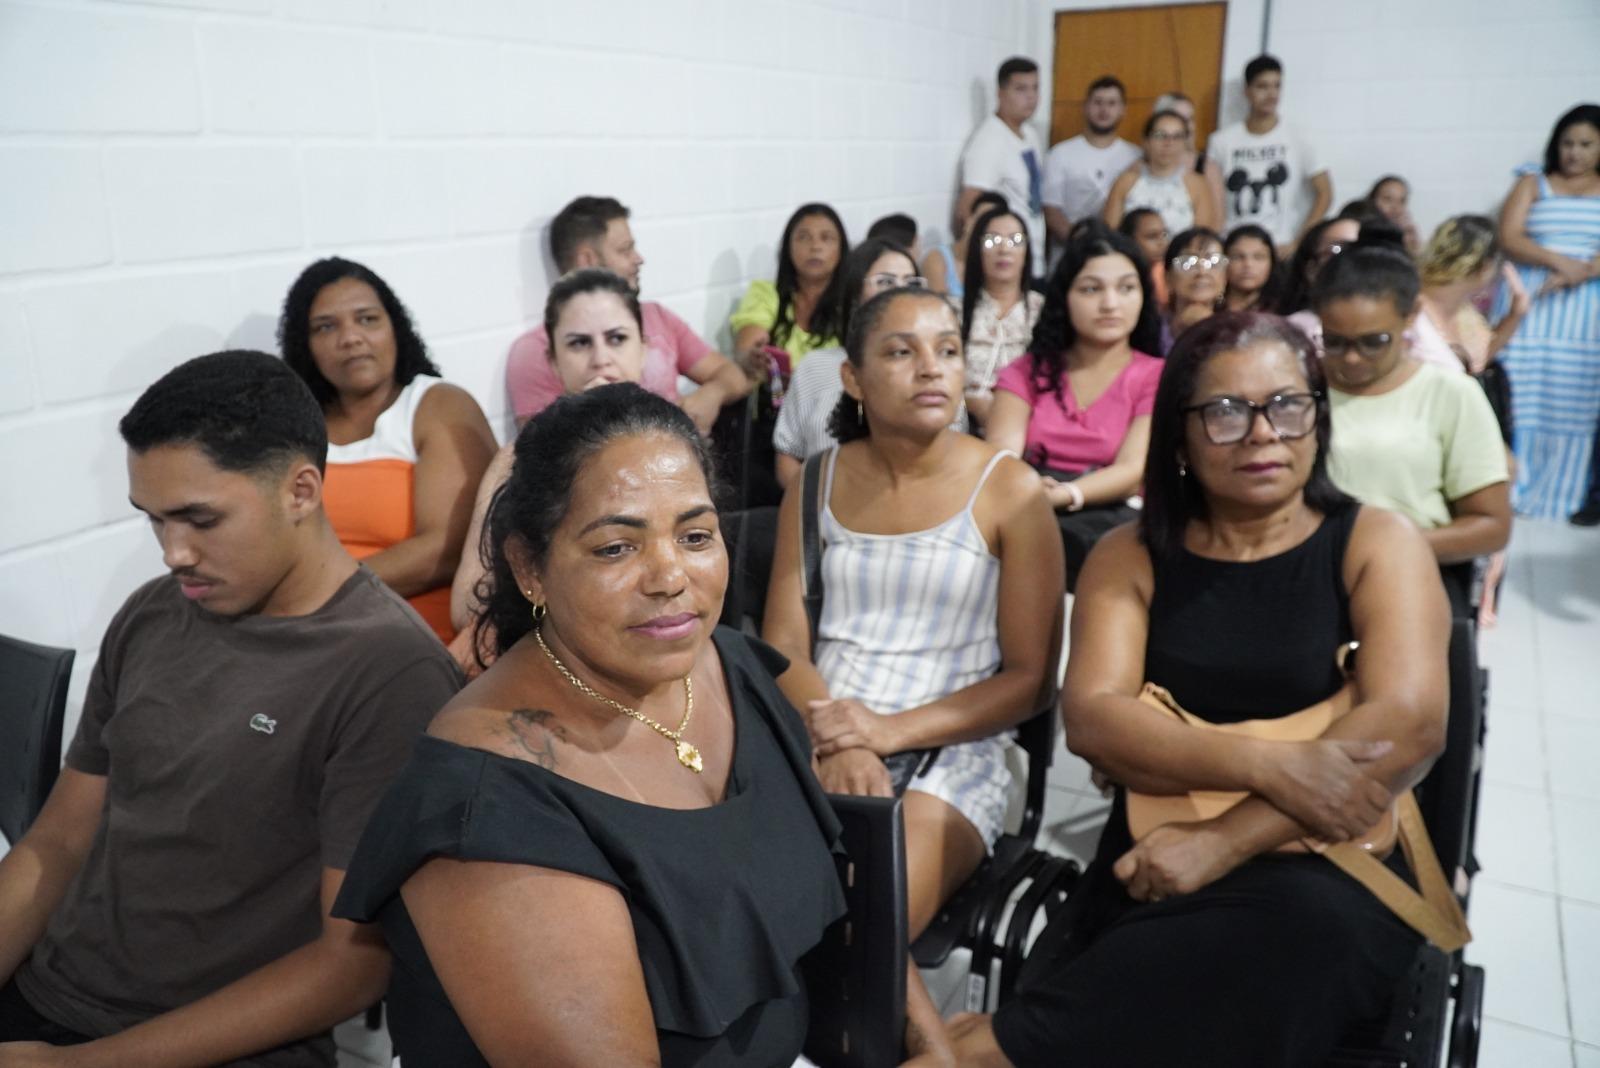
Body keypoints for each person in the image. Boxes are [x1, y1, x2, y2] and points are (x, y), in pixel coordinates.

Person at [331, 383, 952, 1066]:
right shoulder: (488, 806)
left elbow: (842, 892)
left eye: (694, 536)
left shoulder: (730, 668)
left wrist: (928, 1043)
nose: (669, 576)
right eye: (615, 549)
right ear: (528, 567)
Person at [924, 311, 1448, 1068]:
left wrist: (1221, 842)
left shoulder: (1376, 542)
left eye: (1288, 405)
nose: (1265, 434)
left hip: (1328, 866)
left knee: (1297, 937)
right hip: (1153, 845)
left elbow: (1408, 724)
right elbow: (1096, 721)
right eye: (1228, 413)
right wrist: (1274, 765)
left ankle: (989, 1050)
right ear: (1177, 436)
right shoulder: (1128, 555)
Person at [0, 352, 460, 1065]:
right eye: (153, 521)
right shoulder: (151, 615)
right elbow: (55, 842)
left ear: (301, 490)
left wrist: (75, 1066)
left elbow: (354, 965)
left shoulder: (390, 673)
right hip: (53, 993)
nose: (173, 553)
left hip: (222, 1039)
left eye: (199, 519)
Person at [762, 287, 1064, 946]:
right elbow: (783, 646)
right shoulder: (816, 481)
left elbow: (1031, 680)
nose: (932, 368)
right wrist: (843, 738)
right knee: (745, 904)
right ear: (853, 379)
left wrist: (887, 733)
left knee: (868, 922)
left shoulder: (1011, 491)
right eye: (902, 352)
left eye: (948, 350)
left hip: (953, 749)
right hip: (822, 729)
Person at [280, 257, 497, 644]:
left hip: (419, 636)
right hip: (312, 631)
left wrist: (316, 592)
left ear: (395, 327)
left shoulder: (436, 405)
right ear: (305, 344)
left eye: (367, 319)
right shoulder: (295, 426)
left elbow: (446, 550)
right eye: (326, 326)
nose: (350, 338)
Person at [449, 269, 653, 673]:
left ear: (644, 349)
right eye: (579, 343)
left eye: (617, 339)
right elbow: (466, 606)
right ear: (554, 362)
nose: (601, 359)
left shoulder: (674, 456)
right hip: (537, 653)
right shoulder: (516, 460)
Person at [1313, 237, 1511, 618]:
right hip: (1310, 575)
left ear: (1410, 316)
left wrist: (1380, 548)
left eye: (1374, 342)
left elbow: (1491, 524)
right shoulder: (1302, 388)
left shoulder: (1449, 394)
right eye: (1334, 342)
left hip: (1413, 577)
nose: (1352, 358)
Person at [987, 225, 1165, 585]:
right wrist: (1035, 495)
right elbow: (1000, 460)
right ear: (1064, 297)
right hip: (1028, 511)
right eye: (1091, 289)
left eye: (1126, 288)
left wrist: (1067, 494)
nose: (1110, 303)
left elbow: (1133, 471)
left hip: (1118, 527)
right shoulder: (1025, 373)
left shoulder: (1156, 375)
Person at [504, 196, 748, 433]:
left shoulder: (657, 316)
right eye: (625, 250)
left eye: (618, 339)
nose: (638, 259)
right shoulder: (534, 350)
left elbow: (733, 376)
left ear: (643, 348)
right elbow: (541, 454)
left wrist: (711, 395)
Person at [1494, 103, 1600, 521]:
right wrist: (1561, 262)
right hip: (1532, 305)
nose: (1574, 152)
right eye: (1568, 143)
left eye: (1586, 144)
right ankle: (1511, 488)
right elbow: (1509, 236)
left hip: (1585, 315)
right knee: (1518, 396)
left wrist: (1583, 272)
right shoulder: (1532, 183)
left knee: (1573, 400)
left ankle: (1565, 493)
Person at [773, 239, 927, 488]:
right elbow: (788, 454)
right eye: (886, 282)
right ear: (855, 294)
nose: (900, 292)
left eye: (911, 283)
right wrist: (812, 507)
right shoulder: (816, 366)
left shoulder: (931, 369)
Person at [1207, 55, 1332, 254]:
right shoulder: (1221, 141)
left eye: (1277, 86)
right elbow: (1211, 196)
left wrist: (1298, 242)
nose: (1271, 94)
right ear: (1247, 91)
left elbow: (1325, 192)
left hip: (1280, 246)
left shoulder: (1298, 137)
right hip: (1232, 245)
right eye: (1262, 86)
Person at [730, 202, 850, 370]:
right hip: (779, 394)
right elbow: (747, 347)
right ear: (788, 247)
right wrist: (753, 355)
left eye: (826, 238)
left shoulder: (853, 298)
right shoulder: (766, 293)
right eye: (804, 237)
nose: (815, 247)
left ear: (841, 248)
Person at [958, 56, 1047, 283]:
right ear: (1000, 93)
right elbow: (968, 209)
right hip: (1006, 264)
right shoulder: (989, 140)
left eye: (1035, 88)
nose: (1031, 97)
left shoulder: (1030, 134)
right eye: (1021, 89)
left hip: (1033, 257)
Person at [1415, 215, 1531, 376]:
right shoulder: (1410, 308)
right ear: (1485, 267)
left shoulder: (1464, 312)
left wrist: (1515, 315)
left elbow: (1477, 362)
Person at [962, 205, 1046, 429]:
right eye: (992, 241)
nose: (1004, 249)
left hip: (1026, 423)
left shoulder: (1044, 311)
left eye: (1015, 240)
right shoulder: (954, 311)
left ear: (1027, 251)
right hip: (962, 423)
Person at [1043, 76, 1143, 243]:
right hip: (1069, 252)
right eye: (1098, 102)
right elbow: (1051, 209)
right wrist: (1080, 245)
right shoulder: (1060, 153)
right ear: (1085, 106)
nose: (1104, 110)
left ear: (1123, 109)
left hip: (1119, 251)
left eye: (1111, 103)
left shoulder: (1135, 156)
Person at [1103, 110, 1219, 236]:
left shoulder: (1197, 185)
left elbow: (1201, 239)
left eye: (1177, 137)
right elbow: (1110, 234)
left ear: (1185, 143)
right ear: (1146, 141)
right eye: (1160, 135)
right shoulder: (1125, 182)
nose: (1168, 143)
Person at [924, 190, 1009, 301]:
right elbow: (940, 308)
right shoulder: (937, 258)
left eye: (990, 223)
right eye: (980, 219)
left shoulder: (993, 263)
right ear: (969, 220)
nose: (983, 227)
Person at [1164, 226, 1228, 340]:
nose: (1202, 272)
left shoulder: (1235, 331)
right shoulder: (1149, 329)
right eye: (1188, 262)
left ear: (1225, 278)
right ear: (1168, 277)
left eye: (1213, 262)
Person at [1223, 223, 1285, 312]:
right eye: (1237, 256)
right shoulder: (1209, 307)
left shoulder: (1284, 309)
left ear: (1272, 262)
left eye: (1258, 257)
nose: (1248, 264)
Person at [1119, 208, 1170, 306]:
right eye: (1152, 236)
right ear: (1130, 240)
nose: (1162, 243)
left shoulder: (1167, 273)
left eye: (1164, 235)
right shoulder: (1120, 276)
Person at [1365, 174, 1421, 253]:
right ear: (1372, 200)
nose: (1395, 206)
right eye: (1388, 199)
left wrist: (1412, 244)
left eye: (1402, 201)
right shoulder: (1357, 231)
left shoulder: (1407, 234)